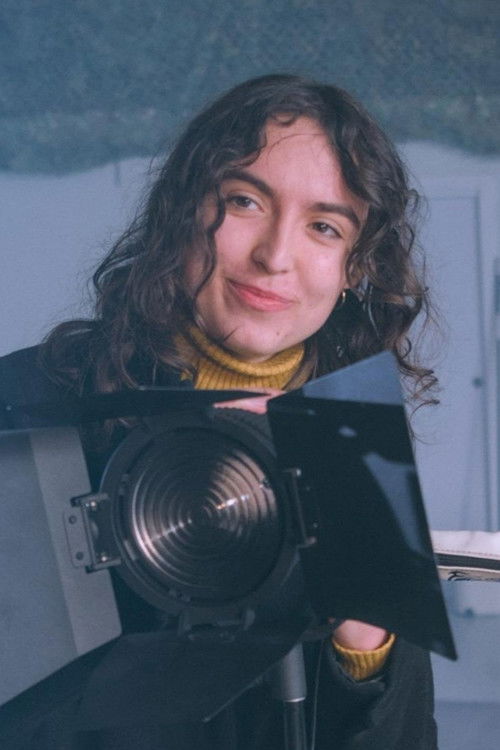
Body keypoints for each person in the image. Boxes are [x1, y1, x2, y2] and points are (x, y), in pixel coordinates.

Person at [0, 74, 437, 749]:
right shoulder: (31, 400)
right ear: (184, 209)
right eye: (244, 201)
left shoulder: (351, 441)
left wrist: (366, 643)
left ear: (354, 267)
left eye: (324, 227)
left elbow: (405, 739)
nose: (275, 256)